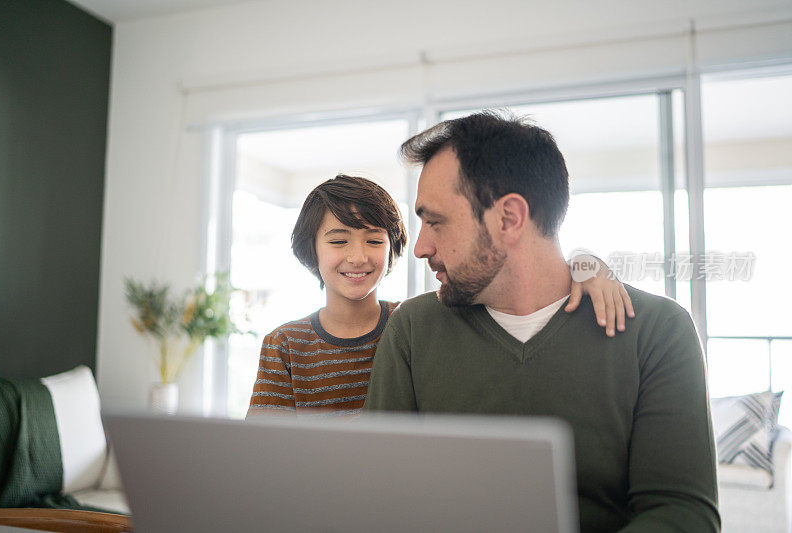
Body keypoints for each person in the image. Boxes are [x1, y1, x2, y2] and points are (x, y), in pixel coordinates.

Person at [363, 113, 719, 532]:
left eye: (436, 221)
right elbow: (377, 496)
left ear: (510, 218)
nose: (420, 247)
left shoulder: (658, 332)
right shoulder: (412, 330)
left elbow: (683, 515)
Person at [247, 174, 632, 417]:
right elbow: (263, 456)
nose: (358, 256)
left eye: (374, 240)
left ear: (393, 247)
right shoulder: (285, 345)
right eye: (338, 241)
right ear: (310, 249)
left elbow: (506, 279)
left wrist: (586, 263)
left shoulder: (416, 323)